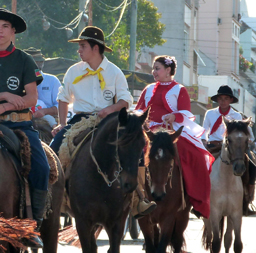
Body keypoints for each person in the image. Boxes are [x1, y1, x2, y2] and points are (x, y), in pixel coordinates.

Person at [48, 26, 155, 217]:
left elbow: (125, 100)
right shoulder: (74, 71)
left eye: (82, 46)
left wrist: (110, 110)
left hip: (111, 121)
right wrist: (62, 124)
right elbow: (63, 98)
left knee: (135, 149)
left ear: (95, 48)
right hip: (81, 119)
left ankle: (139, 199)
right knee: (54, 147)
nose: (79, 50)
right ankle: (52, 198)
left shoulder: (114, 72)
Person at [0, 8, 48, 248]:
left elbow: (32, 98)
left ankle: (33, 225)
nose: (0, 30)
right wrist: (3, 96)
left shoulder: (24, 59)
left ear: (13, 31)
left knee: (42, 168)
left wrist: (3, 108)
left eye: (5, 26)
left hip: (20, 124)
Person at [135, 55, 214, 218]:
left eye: (157, 68)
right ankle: (128, 195)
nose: (153, 72)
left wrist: (174, 116)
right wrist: (140, 120)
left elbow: (185, 112)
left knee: (196, 155)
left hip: (171, 130)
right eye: (153, 68)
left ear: (168, 70)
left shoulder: (179, 89)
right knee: (128, 150)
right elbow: (138, 109)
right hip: (149, 130)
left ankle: (195, 198)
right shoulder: (148, 89)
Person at [202, 85, 255, 215]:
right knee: (198, 166)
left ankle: (247, 199)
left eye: (226, 98)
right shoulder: (210, 113)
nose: (223, 101)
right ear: (217, 100)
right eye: (221, 98)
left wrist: (245, 142)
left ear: (230, 100)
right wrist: (204, 144)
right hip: (213, 145)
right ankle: (199, 200)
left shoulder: (237, 115)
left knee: (252, 166)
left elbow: (250, 137)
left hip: (234, 148)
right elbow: (204, 133)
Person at [23, 47, 60, 128]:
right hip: (22, 119)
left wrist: (44, 111)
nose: (40, 63)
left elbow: (61, 106)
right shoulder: (17, 81)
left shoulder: (52, 80)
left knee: (57, 134)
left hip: (47, 120)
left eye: (40, 61)